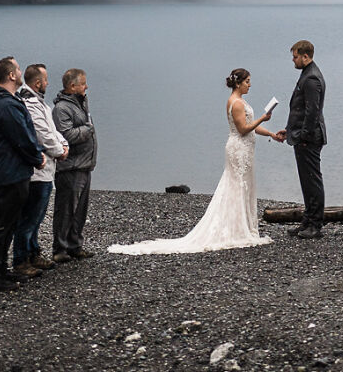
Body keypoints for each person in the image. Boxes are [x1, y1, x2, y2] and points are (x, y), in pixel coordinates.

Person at [109, 68, 277, 254]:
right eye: (247, 81)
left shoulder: (242, 101)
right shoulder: (235, 103)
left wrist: (270, 133)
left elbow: (250, 128)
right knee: (236, 186)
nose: (250, 85)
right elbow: (243, 129)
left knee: (245, 186)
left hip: (246, 149)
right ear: (238, 83)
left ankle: (243, 224)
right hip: (238, 149)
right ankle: (235, 228)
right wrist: (263, 117)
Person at [0, 56, 45, 293]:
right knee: (2, 225)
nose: (20, 72)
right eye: (18, 69)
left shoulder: (6, 102)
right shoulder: (6, 105)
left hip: (12, 171)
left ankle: (1, 270)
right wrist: (38, 158)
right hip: (9, 173)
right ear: (11, 75)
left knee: (8, 223)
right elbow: (22, 139)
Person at [12, 63, 69, 276]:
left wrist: (64, 145)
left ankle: (33, 253)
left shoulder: (40, 103)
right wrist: (59, 151)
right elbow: (42, 134)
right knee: (30, 218)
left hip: (45, 170)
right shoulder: (29, 103)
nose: (47, 83)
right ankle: (21, 259)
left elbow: (53, 130)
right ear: (38, 82)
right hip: (36, 172)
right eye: (45, 80)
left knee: (37, 217)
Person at [275, 40, 327, 239]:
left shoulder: (312, 78)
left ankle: (315, 224)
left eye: (295, 56)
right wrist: (289, 130)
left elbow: (312, 112)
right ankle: (308, 220)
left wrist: (303, 136)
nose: (293, 60)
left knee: (313, 181)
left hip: (310, 138)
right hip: (303, 135)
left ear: (306, 56)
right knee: (307, 181)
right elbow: (299, 110)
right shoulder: (307, 74)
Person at [52, 68, 97, 261]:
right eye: (83, 83)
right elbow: (66, 135)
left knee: (80, 209)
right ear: (72, 86)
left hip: (84, 165)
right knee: (66, 209)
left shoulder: (81, 103)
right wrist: (87, 130)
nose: (86, 86)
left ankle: (75, 244)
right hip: (71, 167)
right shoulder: (62, 108)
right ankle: (60, 249)